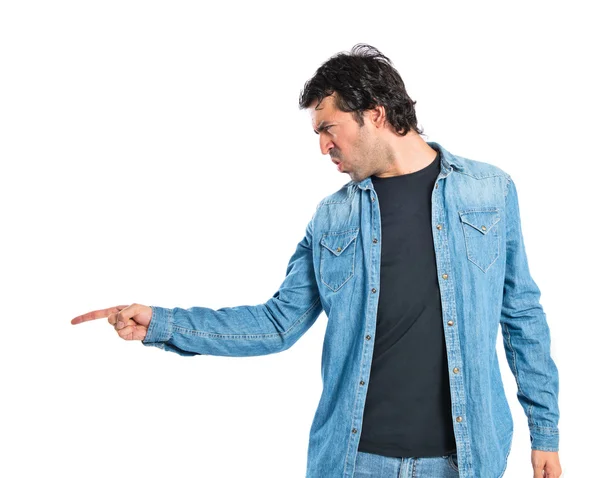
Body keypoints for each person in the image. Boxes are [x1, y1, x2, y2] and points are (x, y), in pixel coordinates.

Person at [71, 44, 562, 478]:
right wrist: (162, 322)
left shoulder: (489, 190)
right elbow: (276, 323)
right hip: (353, 461)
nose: (324, 146)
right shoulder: (332, 219)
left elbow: (521, 314)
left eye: (328, 128)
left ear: (374, 112)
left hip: (467, 457)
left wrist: (545, 430)